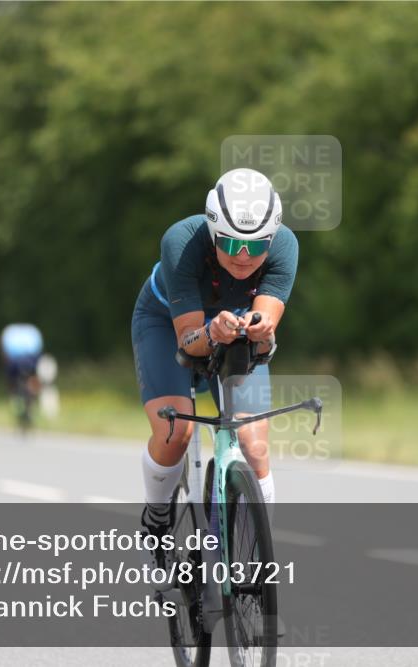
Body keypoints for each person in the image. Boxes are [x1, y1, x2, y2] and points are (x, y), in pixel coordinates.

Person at [131, 168, 298, 568]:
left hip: (234, 324)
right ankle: (156, 517)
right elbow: (189, 339)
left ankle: (255, 559)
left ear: (272, 239)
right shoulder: (181, 241)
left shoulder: (286, 246)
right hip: (167, 322)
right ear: (211, 231)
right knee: (176, 431)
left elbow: (266, 327)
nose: (243, 255)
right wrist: (212, 330)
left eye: (256, 246)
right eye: (230, 241)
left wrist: (260, 333)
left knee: (254, 447)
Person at [0, 323, 44, 399]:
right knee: (33, 377)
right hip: (31, 360)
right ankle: (33, 395)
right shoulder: (32, 330)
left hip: (14, 363)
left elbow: (4, 351)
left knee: (12, 380)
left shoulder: (9, 331)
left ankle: (14, 397)